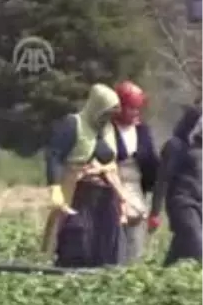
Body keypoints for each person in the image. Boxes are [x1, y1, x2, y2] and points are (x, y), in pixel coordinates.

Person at [43, 83, 127, 268]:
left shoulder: (103, 130)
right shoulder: (73, 124)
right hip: (75, 189)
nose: (107, 118)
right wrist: (55, 188)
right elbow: (54, 155)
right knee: (75, 236)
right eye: (105, 113)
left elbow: (108, 158)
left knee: (102, 241)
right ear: (96, 107)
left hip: (99, 193)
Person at [110, 81, 158, 264]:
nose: (135, 113)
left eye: (138, 108)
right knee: (115, 238)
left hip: (137, 188)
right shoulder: (108, 129)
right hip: (114, 187)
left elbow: (151, 160)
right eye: (131, 108)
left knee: (135, 239)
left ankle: (132, 268)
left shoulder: (142, 130)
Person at [149, 106, 203, 266]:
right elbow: (162, 180)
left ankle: (162, 274)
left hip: (200, 204)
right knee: (197, 245)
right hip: (182, 203)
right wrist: (155, 213)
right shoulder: (175, 146)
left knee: (182, 246)